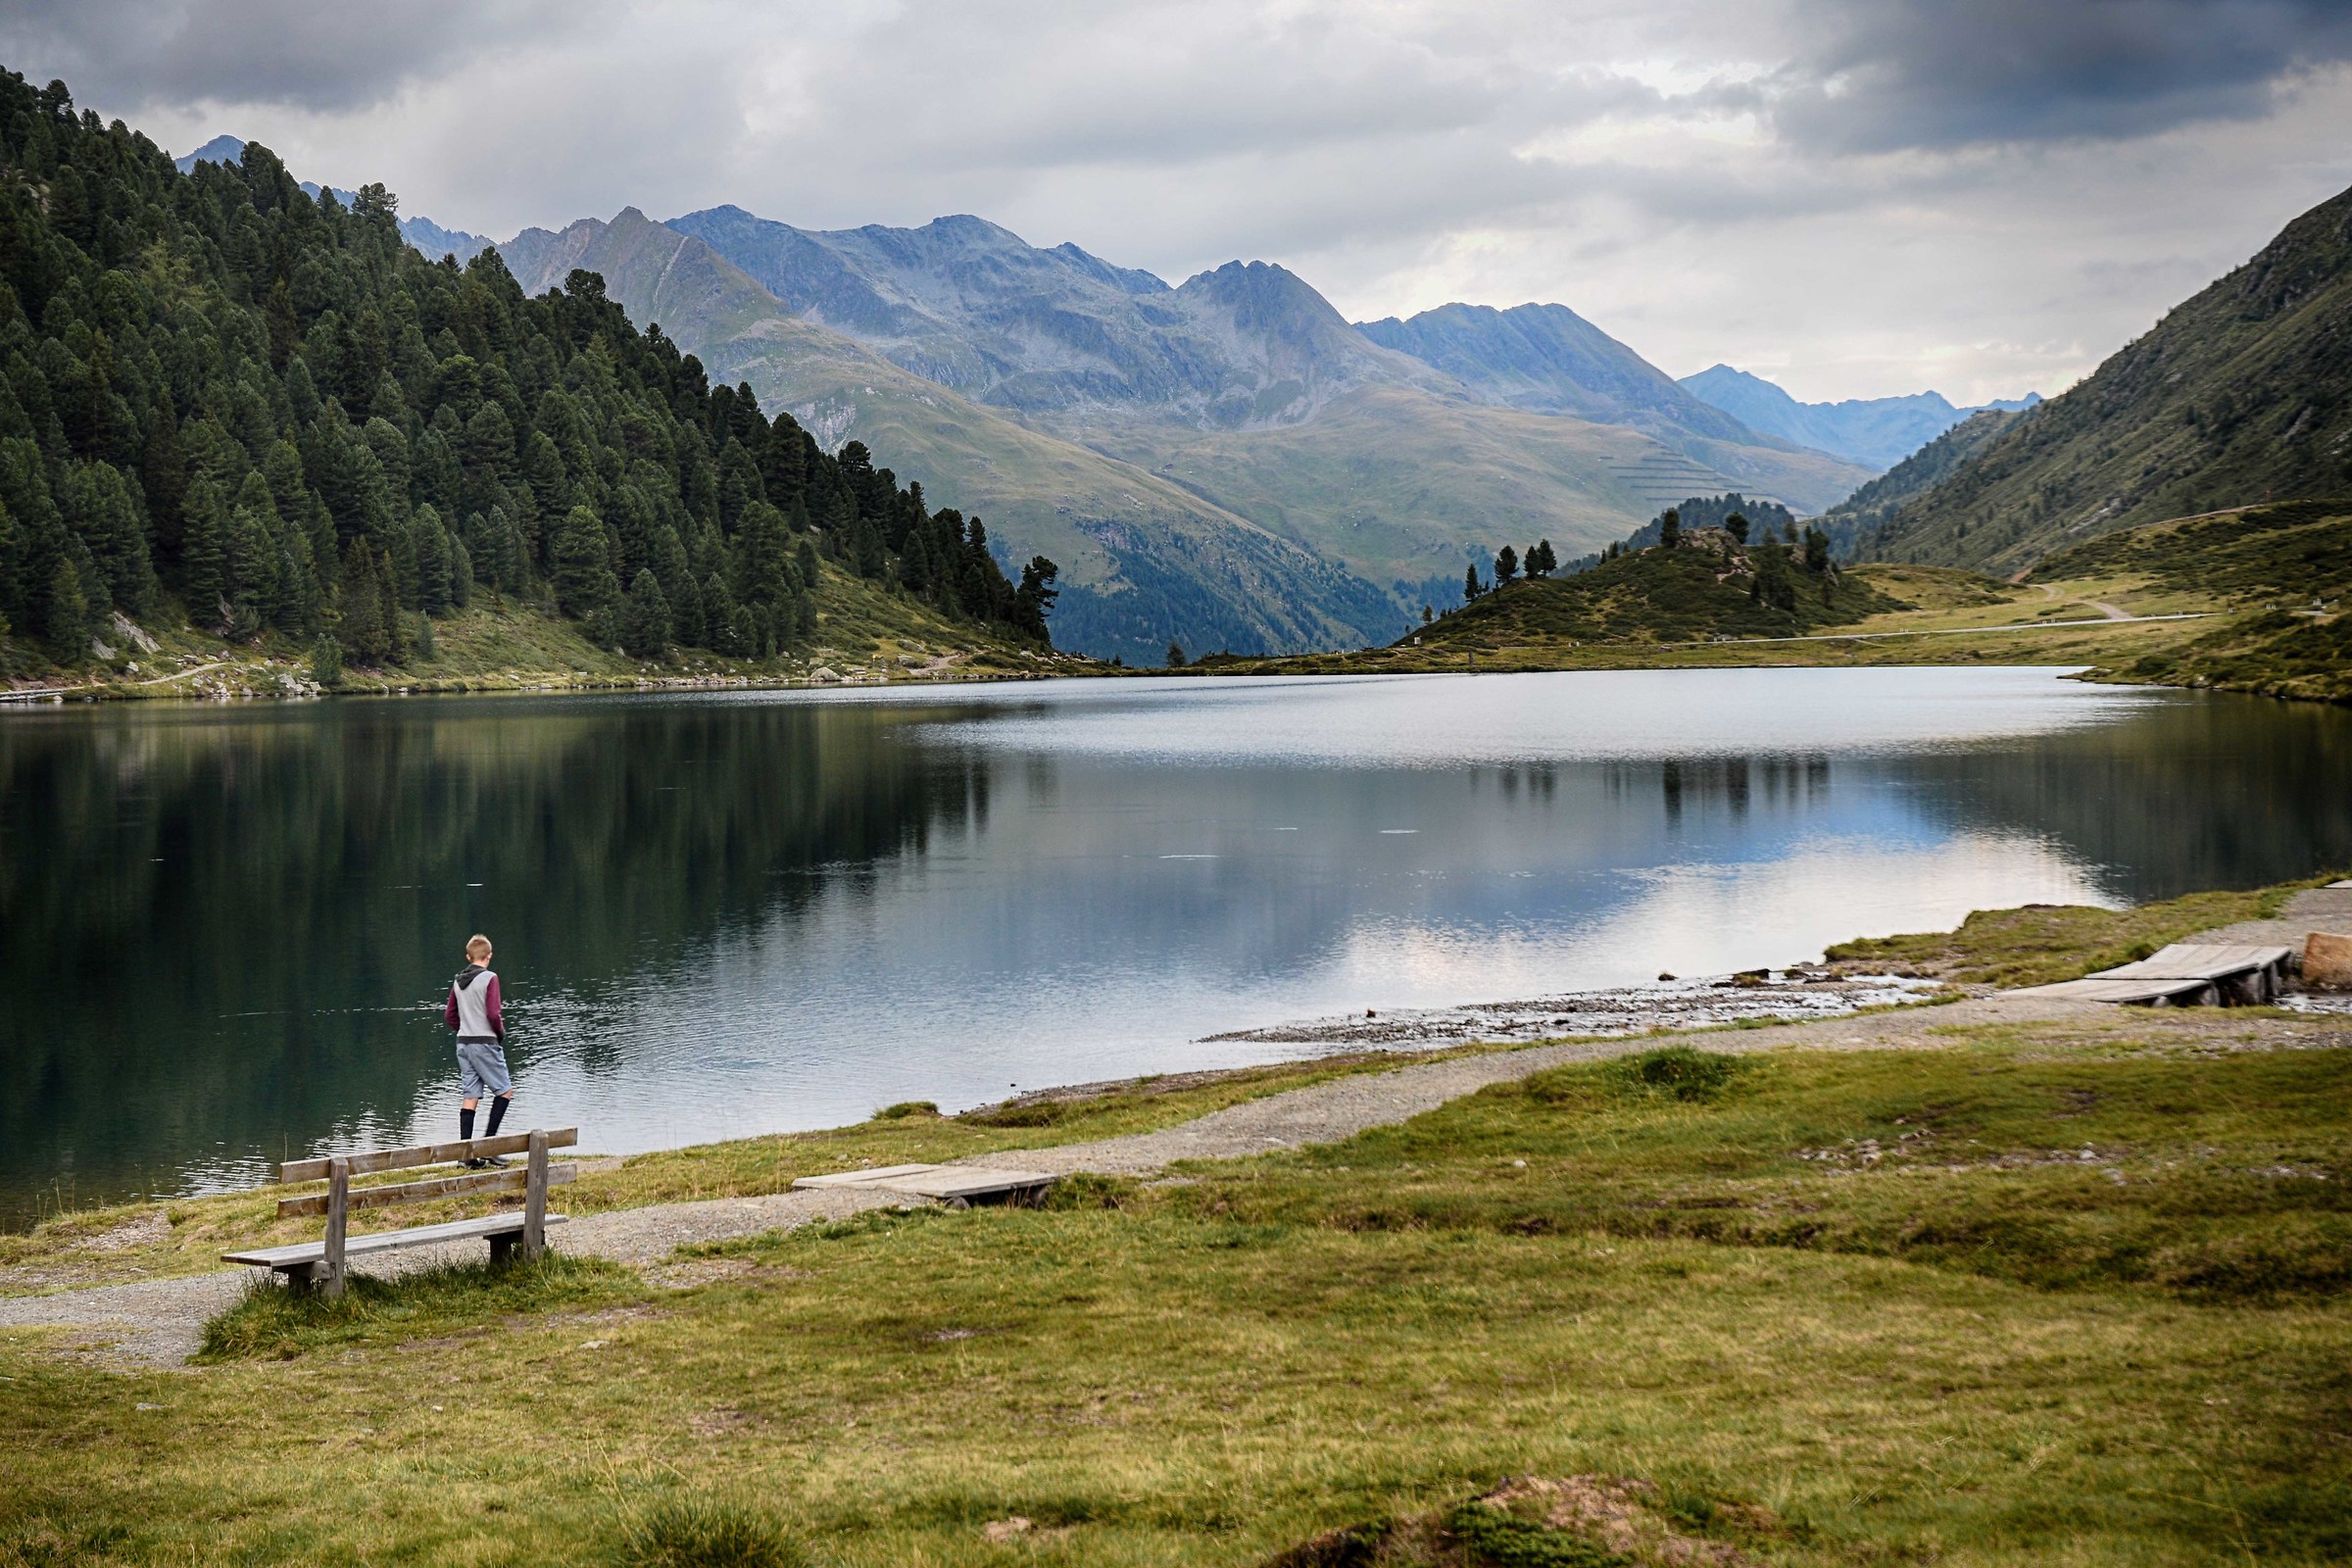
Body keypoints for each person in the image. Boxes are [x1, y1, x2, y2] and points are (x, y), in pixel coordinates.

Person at [443, 934, 513, 1168]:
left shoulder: (457, 980)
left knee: (470, 1096)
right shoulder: (490, 978)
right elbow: (493, 1014)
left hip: (463, 1043)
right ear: (489, 956)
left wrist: (463, 1029)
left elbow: (450, 1016)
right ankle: (489, 1148)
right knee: (504, 1091)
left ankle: (466, 1155)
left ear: (468, 957)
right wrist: (499, 1034)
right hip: (485, 1042)